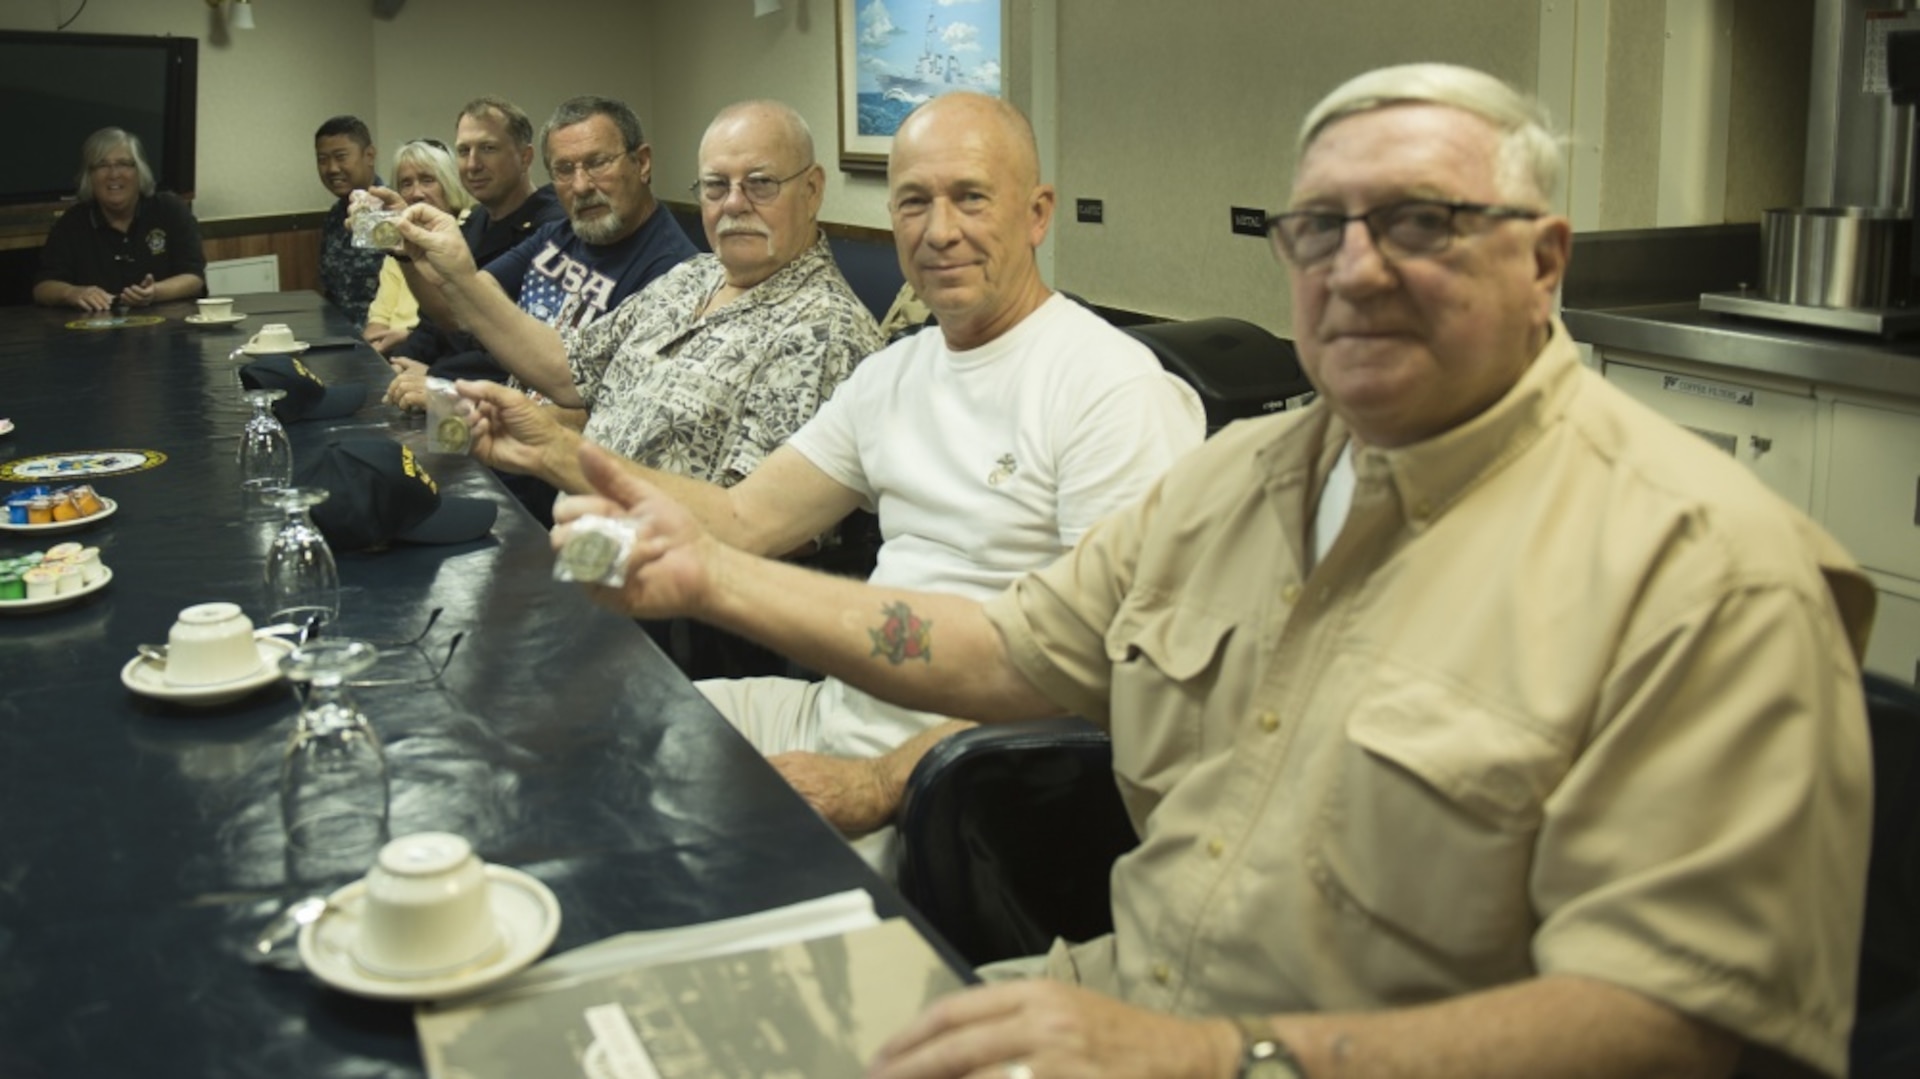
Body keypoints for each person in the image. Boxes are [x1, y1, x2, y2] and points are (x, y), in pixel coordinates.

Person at [555, 65, 1876, 1079]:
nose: (1360, 266)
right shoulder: (1243, 478)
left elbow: (1681, 1022)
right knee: (622, 1027)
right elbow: (998, 650)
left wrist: (1225, 1052)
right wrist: (713, 578)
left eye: (1424, 222)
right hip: (1107, 998)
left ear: (1544, 260)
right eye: (1320, 228)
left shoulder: (1709, 566)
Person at [501, 90, 1205, 869]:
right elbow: (741, 519)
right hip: (830, 714)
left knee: (676, 871)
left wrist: (880, 779)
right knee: (562, 760)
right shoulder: (896, 372)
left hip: (964, 777)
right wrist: (553, 452)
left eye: (970, 197)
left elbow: (1108, 671)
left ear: (1038, 214)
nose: (940, 231)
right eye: (913, 202)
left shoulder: (1111, 387)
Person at [431, 99, 884, 493]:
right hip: (582, 536)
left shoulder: (824, 331)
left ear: (812, 190)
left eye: (760, 183)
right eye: (715, 186)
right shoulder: (692, 277)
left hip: (656, 575)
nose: (733, 203)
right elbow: (567, 368)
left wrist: (558, 453)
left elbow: (753, 521)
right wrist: (460, 275)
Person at [380, 95, 694, 416]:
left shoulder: (675, 275)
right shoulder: (561, 234)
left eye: (598, 163)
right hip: (495, 434)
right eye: (564, 169)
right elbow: (469, 311)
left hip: (539, 454)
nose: (581, 185)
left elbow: (604, 419)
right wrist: (420, 257)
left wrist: (452, 403)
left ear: (641, 163)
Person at [379, 96, 564, 385]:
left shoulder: (555, 225)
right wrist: (397, 365)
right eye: (464, 151)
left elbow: (519, 341)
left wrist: (438, 377)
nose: (473, 164)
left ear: (525, 157)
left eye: (488, 149)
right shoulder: (474, 221)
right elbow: (438, 323)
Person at [32, 127, 206, 312]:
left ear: (139, 172)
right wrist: (72, 293)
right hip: (95, 334)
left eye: (123, 164)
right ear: (89, 177)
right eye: (102, 165)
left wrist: (155, 293)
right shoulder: (71, 223)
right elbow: (43, 288)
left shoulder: (170, 210)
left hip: (166, 331)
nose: (113, 174)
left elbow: (194, 278)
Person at [363, 140, 474, 354]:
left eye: (427, 180)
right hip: (394, 354)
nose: (416, 193)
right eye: (406, 183)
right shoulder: (399, 243)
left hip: (444, 353)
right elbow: (378, 319)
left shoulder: (469, 231)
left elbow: (461, 322)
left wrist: (408, 335)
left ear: (449, 184)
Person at [314, 115, 385, 325]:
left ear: (369, 155)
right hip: (337, 336)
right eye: (322, 159)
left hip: (380, 339)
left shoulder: (389, 211)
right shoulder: (335, 216)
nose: (332, 168)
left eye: (341, 156)